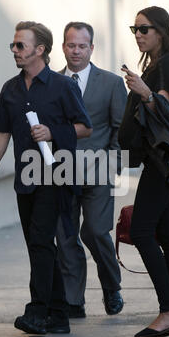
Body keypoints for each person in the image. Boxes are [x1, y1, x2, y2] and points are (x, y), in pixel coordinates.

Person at [0, 21, 92, 335]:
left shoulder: (63, 86)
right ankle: (58, 315)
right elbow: (2, 131)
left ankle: (37, 312)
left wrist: (53, 132)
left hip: (56, 175)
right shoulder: (11, 89)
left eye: (20, 45)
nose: (14, 50)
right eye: (13, 45)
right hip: (25, 176)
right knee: (38, 244)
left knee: (42, 241)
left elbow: (85, 127)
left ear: (40, 49)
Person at [118, 6, 169, 337]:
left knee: (143, 231)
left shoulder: (167, 65)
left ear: (161, 31)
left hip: (164, 161)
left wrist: (144, 93)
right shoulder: (165, 64)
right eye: (134, 29)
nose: (138, 34)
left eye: (144, 29)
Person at [55, 22, 127, 318]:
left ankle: (111, 286)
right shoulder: (52, 82)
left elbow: (120, 128)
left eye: (82, 46)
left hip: (98, 172)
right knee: (66, 237)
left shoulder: (110, 83)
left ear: (91, 48)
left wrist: (113, 163)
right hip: (59, 173)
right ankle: (74, 300)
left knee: (96, 231)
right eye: (71, 45)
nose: (76, 51)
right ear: (63, 47)